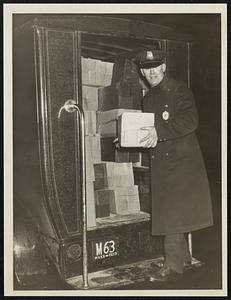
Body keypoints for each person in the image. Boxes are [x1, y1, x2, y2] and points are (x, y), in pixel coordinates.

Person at [135, 49, 214, 281]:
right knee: (171, 211)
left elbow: (191, 120)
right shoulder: (147, 98)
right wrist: (131, 139)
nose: (151, 72)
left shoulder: (179, 89)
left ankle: (173, 267)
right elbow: (149, 132)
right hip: (162, 164)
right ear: (141, 71)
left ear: (164, 67)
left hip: (182, 163)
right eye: (146, 69)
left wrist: (158, 132)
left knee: (171, 214)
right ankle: (184, 258)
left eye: (155, 67)